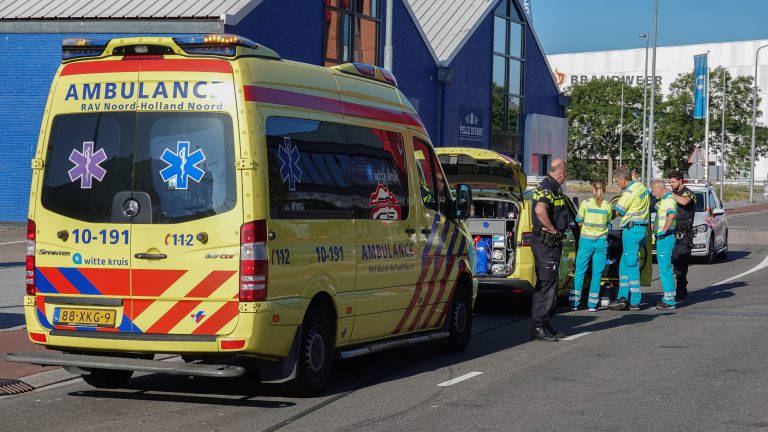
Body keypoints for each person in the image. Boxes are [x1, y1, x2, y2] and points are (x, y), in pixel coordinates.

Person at [530, 159, 569, 341]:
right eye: (566, 172)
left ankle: (544, 323)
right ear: (562, 172)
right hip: (546, 244)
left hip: (548, 244)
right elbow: (540, 210)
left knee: (549, 284)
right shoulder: (548, 187)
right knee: (545, 285)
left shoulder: (551, 186)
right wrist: (552, 230)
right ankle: (538, 326)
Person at [608, 166, 650, 311]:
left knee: (631, 265)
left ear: (622, 179)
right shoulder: (640, 186)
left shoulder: (629, 192)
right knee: (624, 264)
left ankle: (635, 301)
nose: (617, 183)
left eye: (617, 181)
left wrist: (603, 214)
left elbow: (617, 212)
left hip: (631, 230)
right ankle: (622, 297)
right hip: (642, 229)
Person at [570, 180, 612, 312]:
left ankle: (575, 303)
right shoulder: (608, 205)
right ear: (604, 190)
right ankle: (592, 304)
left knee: (580, 272)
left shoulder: (586, 203)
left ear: (593, 190)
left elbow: (578, 220)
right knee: (597, 274)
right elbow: (608, 221)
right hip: (601, 243)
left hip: (586, 242)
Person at [668, 172, 696, 301]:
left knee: (681, 260)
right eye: (670, 182)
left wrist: (669, 193)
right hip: (673, 231)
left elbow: (684, 201)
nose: (671, 184)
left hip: (684, 233)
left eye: (673, 182)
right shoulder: (674, 194)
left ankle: (681, 288)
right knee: (674, 260)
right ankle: (679, 285)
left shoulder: (688, 193)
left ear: (680, 181)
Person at [651, 179, 677, 309]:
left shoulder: (669, 200)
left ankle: (669, 300)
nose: (653, 194)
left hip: (665, 238)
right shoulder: (664, 200)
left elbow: (671, 215)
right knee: (663, 269)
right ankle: (667, 297)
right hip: (662, 238)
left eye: (654, 191)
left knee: (665, 269)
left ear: (660, 189)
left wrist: (663, 231)